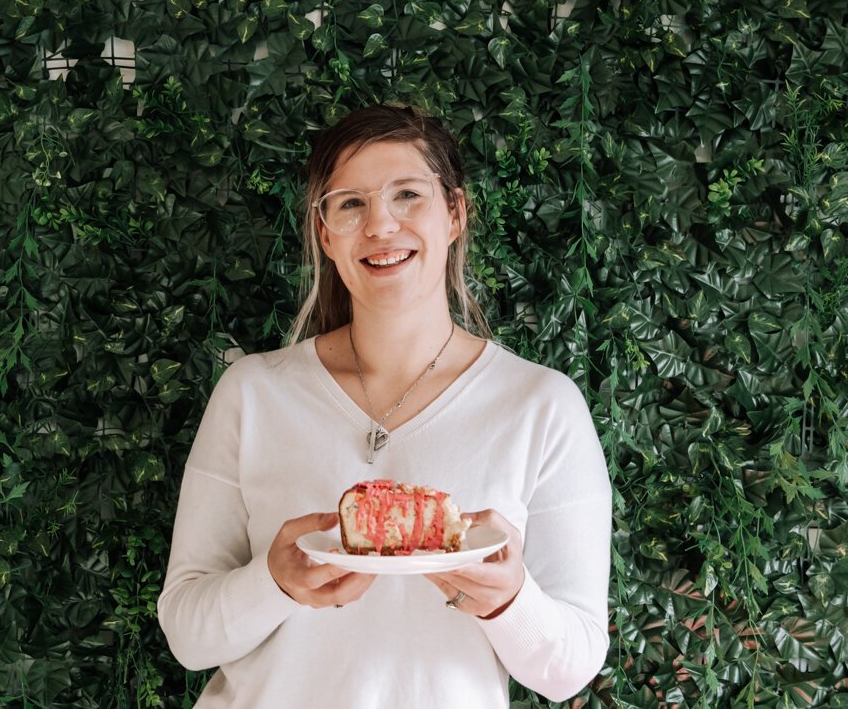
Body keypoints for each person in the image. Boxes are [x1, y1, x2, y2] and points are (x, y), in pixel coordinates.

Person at [157, 103, 611, 707]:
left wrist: (509, 599)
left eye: (407, 195)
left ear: (455, 213)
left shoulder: (541, 406)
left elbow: (570, 668)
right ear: (325, 234)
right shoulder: (252, 392)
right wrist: (274, 582)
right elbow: (188, 635)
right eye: (351, 204)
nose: (380, 226)